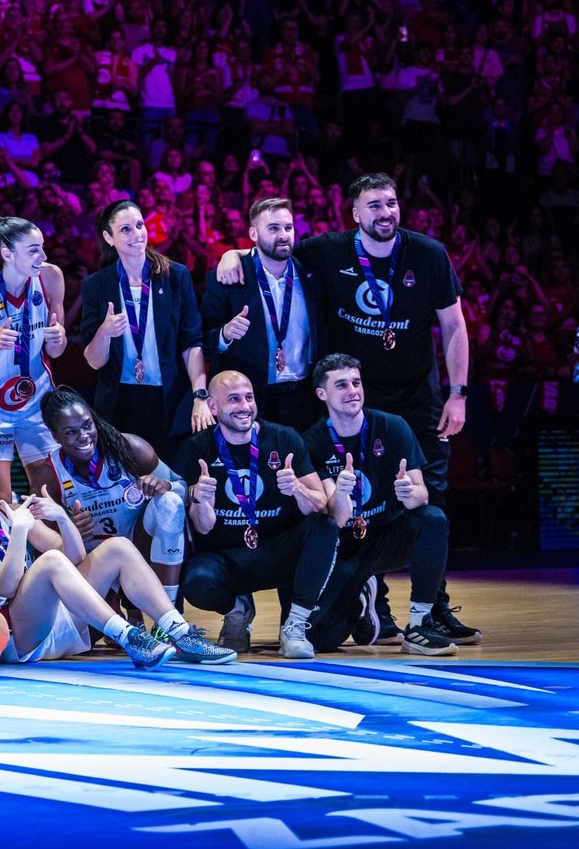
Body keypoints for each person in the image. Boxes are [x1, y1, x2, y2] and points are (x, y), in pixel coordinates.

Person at [213, 173, 478, 643]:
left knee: (428, 498)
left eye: (391, 204)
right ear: (354, 214)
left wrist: (458, 393)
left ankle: (433, 607)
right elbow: (273, 253)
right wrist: (233, 253)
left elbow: (454, 327)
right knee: (350, 497)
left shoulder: (429, 254)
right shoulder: (326, 252)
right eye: (373, 206)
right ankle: (376, 603)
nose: (385, 213)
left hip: (418, 399)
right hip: (351, 400)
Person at [0, 452, 232, 667]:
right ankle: (129, 636)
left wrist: (61, 518)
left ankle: (180, 633)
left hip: (55, 620)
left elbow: (76, 557)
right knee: (50, 562)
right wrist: (19, 532)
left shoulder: (9, 510)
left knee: (117, 547)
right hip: (14, 636)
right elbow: (4, 587)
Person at [300, 354, 458, 656]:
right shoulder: (313, 441)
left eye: (356, 383)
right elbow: (338, 517)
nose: (353, 391)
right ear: (322, 394)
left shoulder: (392, 427)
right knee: (319, 639)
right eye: (342, 385)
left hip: (386, 536)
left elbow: (421, 494)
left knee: (433, 519)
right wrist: (342, 493)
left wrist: (408, 493)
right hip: (345, 545)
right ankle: (361, 599)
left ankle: (419, 624)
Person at [175, 371, 336, 659]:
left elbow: (321, 504)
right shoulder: (196, 449)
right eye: (234, 399)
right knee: (195, 582)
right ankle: (237, 612)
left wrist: (297, 488)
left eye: (249, 398)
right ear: (212, 407)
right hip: (226, 557)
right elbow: (202, 527)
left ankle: (295, 625)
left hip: (278, 551)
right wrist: (201, 499)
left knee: (324, 526)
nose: (245, 406)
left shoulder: (284, 439)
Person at [81, 200, 213, 462]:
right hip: (121, 403)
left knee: (172, 482)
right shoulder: (96, 285)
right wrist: (105, 332)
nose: (137, 234)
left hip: (170, 400)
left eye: (140, 225)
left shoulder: (175, 276)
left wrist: (200, 395)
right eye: (126, 229)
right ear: (109, 237)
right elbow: (94, 361)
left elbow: (192, 342)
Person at [38, 387, 191, 603]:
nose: (84, 436)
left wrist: (164, 485)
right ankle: (120, 609)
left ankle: (168, 614)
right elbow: (46, 544)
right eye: (71, 432)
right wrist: (69, 530)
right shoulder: (49, 475)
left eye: (87, 425)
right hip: (98, 563)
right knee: (96, 632)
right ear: (55, 435)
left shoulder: (130, 448)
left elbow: (183, 490)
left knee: (170, 502)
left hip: (143, 545)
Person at [0, 215, 69, 500]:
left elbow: (56, 351)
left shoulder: (51, 277)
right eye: (33, 250)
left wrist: (59, 338)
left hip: (37, 400)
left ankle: (49, 545)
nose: (43, 256)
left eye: (43, 247)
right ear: (7, 253)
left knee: (52, 492)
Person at [202, 197, 325, 429]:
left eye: (288, 228)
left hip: (303, 396)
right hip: (249, 399)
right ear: (253, 234)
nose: (283, 235)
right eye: (273, 228)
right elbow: (201, 340)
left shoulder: (312, 275)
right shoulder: (228, 278)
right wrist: (224, 334)